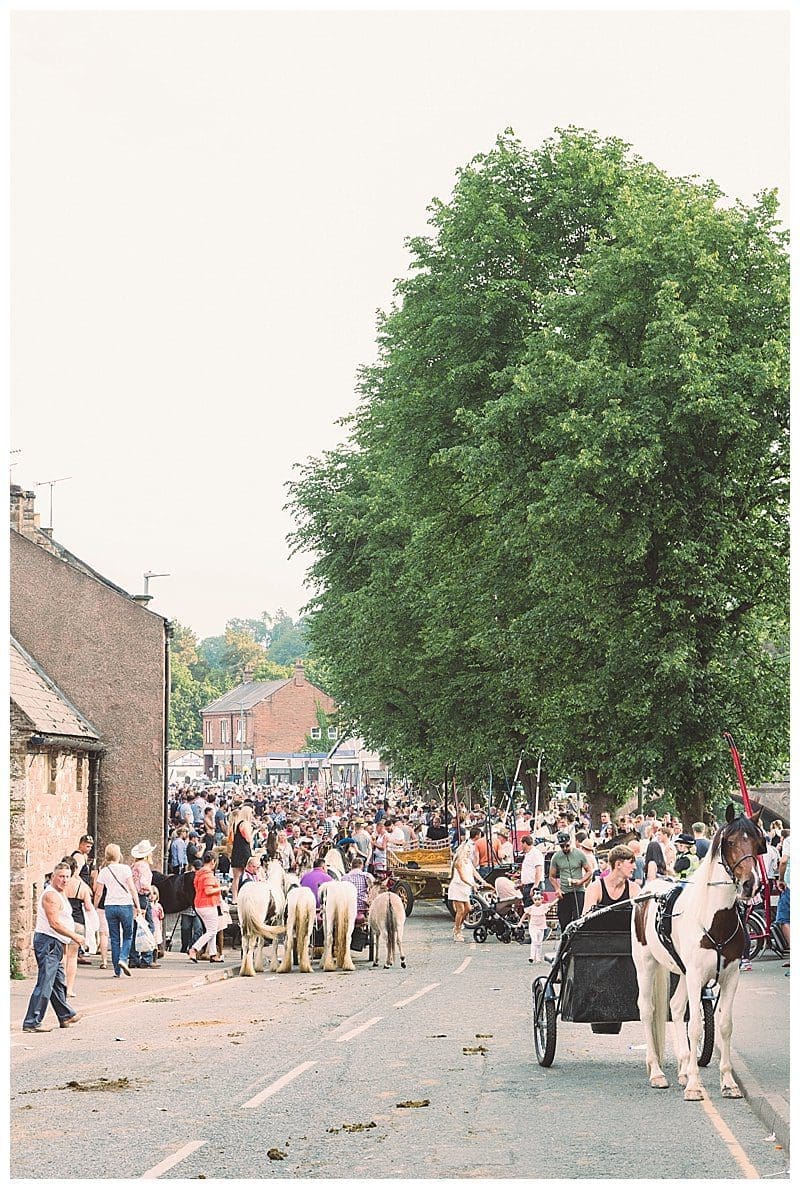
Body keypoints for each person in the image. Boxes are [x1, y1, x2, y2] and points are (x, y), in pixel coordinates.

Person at [22, 862, 83, 1033]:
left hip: (55, 943)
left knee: (58, 983)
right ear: (53, 877)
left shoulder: (60, 894)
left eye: (67, 877)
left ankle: (65, 1015)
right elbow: (54, 923)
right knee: (45, 982)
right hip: (48, 942)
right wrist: (74, 936)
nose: (64, 880)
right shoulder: (51, 895)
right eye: (61, 876)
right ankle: (32, 1021)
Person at [93, 844, 143, 977]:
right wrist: (137, 906)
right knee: (128, 934)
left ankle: (117, 970)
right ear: (118, 854)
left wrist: (95, 906)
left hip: (109, 906)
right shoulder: (126, 869)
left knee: (114, 938)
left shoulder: (104, 871)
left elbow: (98, 892)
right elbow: (132, 888)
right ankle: (123, 958)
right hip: (125, 904)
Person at [61, 855, 93, 997]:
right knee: (73, 958)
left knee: (62, 956)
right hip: (78, 922)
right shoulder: (81, 886)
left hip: (62, 923)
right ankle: (69, 989)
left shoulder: (60, 885)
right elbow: (88, 906)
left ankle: (59, 987)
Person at [549, 831, 592, 933]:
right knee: (563, 919)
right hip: (564, 892)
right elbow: (551, 876)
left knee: (578, 918)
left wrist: (581, 881)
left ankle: (577, 941)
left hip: (578, 891)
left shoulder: (579, 854)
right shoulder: (556, 857)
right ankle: (564, 942)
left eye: (567, 846)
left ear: (571, 842)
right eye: (562, 846)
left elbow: (589, 871)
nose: (564, 849)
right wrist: (557, 889)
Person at [582, 845, 641, 914]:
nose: (635, 867)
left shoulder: (634, 889)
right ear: (618, 864)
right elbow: (586, 920)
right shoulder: (595, 888)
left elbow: (640, 919)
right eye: (631, 862)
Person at [189, 853, 224, 963]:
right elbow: (208, 891)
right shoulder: (208, 874)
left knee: (211, 929)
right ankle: (194, 949)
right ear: (213, 862)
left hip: (199, 904)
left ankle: (213, 955)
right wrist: (221, 888)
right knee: (212, 930)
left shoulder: (199, 873)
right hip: (208, 904)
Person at [447, 838, 483, 942]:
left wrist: (482, 881)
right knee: (461, 910)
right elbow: (462, 877)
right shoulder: (459, 862)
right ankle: (457, 931)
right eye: (467, 852)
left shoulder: (468, 862)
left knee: (468, 908)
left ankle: (458, 925)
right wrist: (473, 884)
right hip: (457, 887)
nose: (468, 854)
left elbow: (474, 872)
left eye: (469, 852)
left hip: (465, 888)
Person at [130, 841, 159, 969]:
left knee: (135, 928)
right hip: (142, 897)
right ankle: (146, 957)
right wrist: (150, 890)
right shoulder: (144, 865)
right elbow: (143, 882)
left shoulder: (133, 865)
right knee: (148, 927)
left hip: (133, 897)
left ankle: (133, 957)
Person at [229, 804, 254, 902]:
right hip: (244, 851)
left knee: (236, 877)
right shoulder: (245, 824)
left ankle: (235, 898)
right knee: (249, 873)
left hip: (236, 851)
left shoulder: (236, 824)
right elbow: (248, 839)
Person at [520, 891, 549, 963]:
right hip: (533, 926)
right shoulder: (531, 908)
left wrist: (558, 897)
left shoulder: (543, 907)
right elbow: (525, 914)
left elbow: (551, 904)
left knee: (539, 942)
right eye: (535, 900)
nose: (537, 901)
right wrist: (520, 922)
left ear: (542, 899)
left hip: (541, 926)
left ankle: (538, 957)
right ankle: (532, 956)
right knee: (534, 940)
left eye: (539, 899)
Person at [519, 835, 545, 906]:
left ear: (524, 843)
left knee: (532, 908)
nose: (520, 846)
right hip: (528, 885)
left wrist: (535, 885)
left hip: (534, 885)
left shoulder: (535, 853)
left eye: (521, 843)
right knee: (528, 907)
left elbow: (538, 870)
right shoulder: (528, 854)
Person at [776, 840, 790, 972]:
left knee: (784, 920)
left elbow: (784, 861)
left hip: (791, 886)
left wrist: (781, 879)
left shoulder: (790, 841)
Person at [150, 886, 165, 961]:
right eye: (150, 894)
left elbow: (161, 918)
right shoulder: (147, 905)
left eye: (154, 893)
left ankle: (154, 958)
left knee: (156, 942)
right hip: (149, 926)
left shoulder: (158, 906)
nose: (152, 896)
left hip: (156, 926)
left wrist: (160, 929)